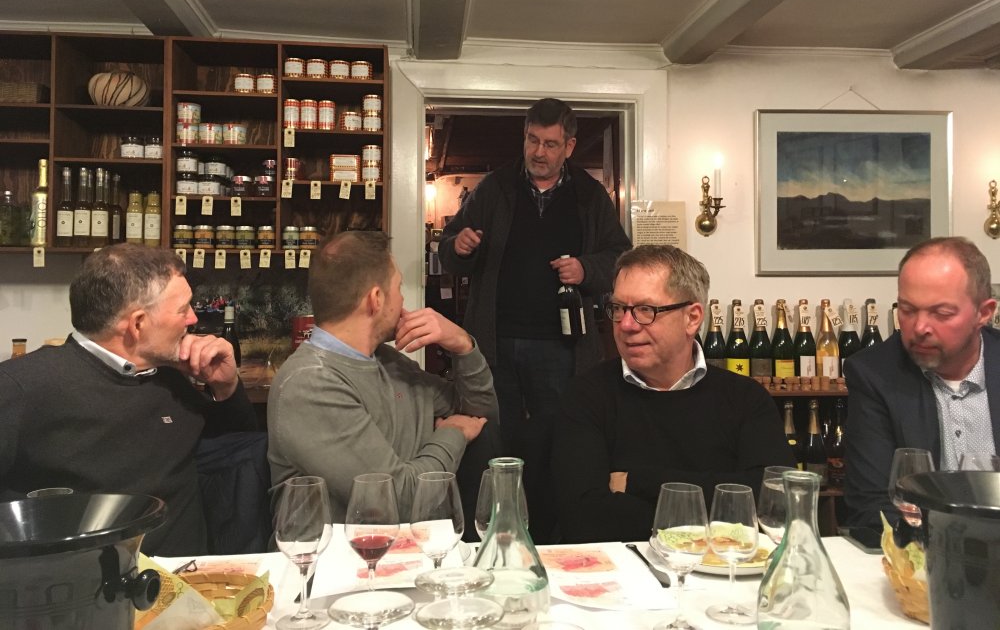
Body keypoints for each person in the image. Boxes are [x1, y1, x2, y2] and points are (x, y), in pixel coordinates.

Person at [438, 97, 631, 541]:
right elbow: (450, 247)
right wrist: (459, 246)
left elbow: (620, 258)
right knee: (495, 441)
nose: (538, 152)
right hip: (495, 342)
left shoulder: (589, 195)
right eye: (532, 140)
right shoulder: (495, 188)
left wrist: (586, 269)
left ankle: (550, 534)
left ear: (569, 146)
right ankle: (494, 531)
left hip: (562, 347)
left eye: (550, 144)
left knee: (557, 440)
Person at [0, 244, 256, 556]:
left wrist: (226, 386)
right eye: (183, 309)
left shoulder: (172, 378)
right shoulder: (20, 388)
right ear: (137, 324)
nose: (193, 318)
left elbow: (236, 456)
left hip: (192, 580)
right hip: (81, 584)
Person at [552, 245, 796, 543]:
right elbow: (582, 517)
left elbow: (775, 502)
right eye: (618, 308)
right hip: (622, 569)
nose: (626, 325)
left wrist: (638, 481)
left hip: (722, 568)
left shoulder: (746, 398)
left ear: (692, 318)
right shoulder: (586, 395)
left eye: (646, 310)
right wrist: (719, 506)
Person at [267, 230, 499, 522]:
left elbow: (481, 415)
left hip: (418, 544)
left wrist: (462, 344)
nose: (403, 302)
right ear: (376, 299)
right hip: (338, 551)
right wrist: (452, 434)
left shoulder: (387, 361)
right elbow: (396, 501)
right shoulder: (310, 383)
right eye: (399, 288)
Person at [844, 236, 1000, 529]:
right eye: (907, 310)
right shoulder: (874, 374)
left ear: (983, 313)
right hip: (921, 550)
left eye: (942, 313)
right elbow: (870, 507)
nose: (920, 327)